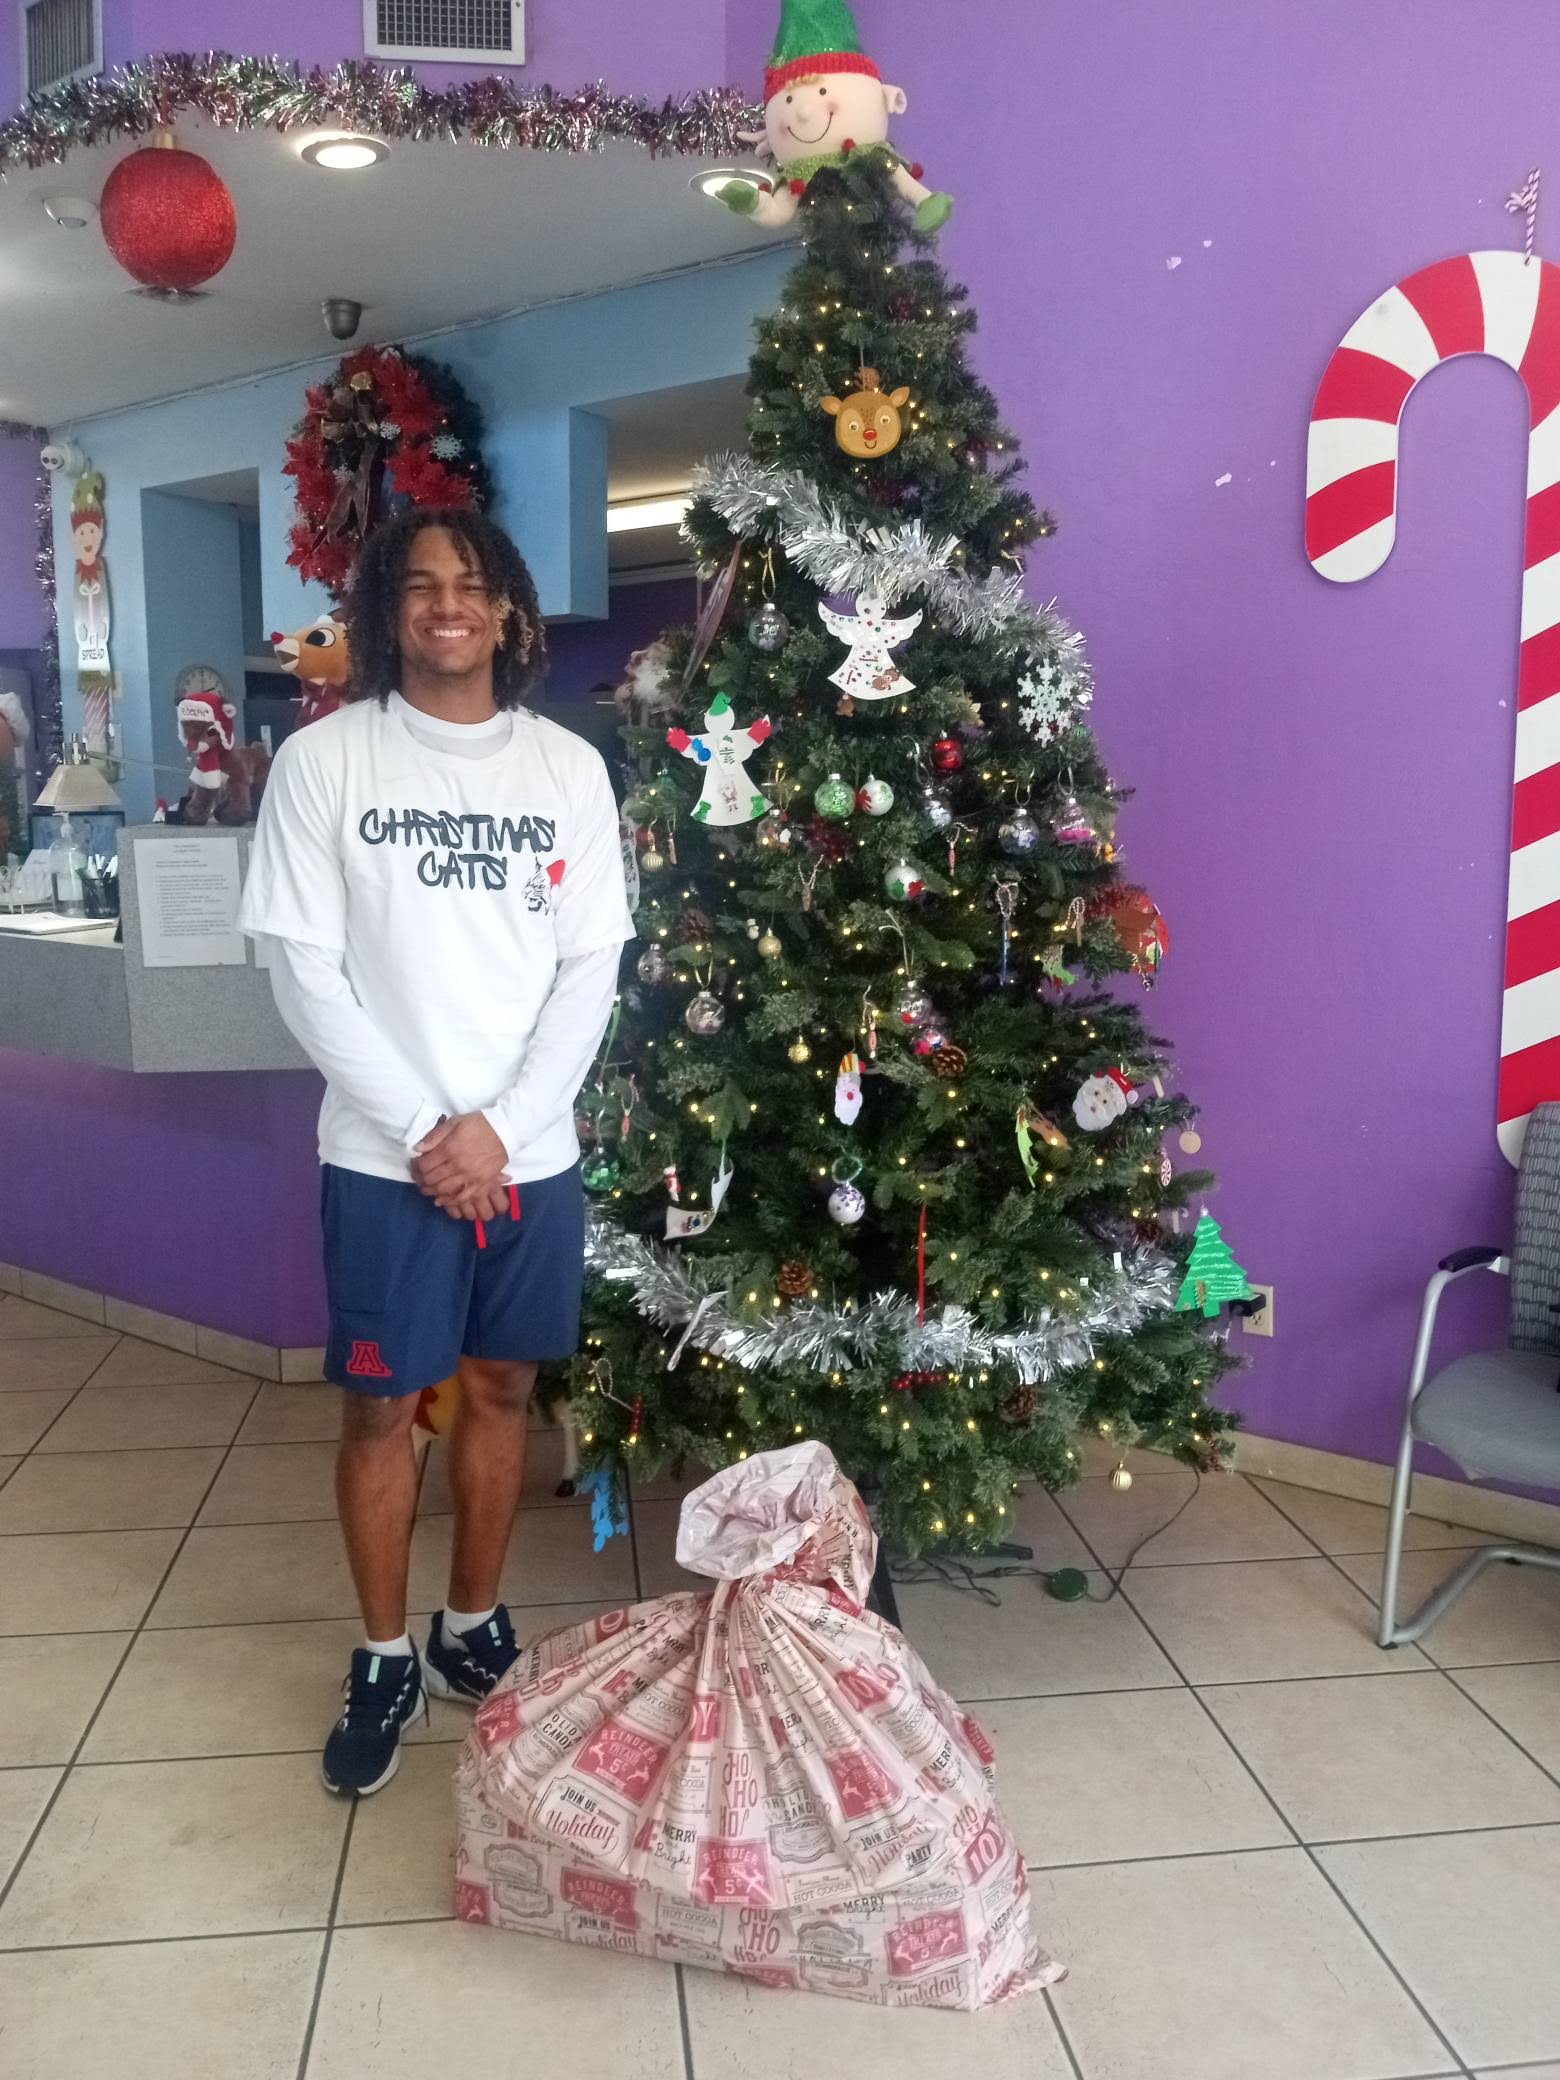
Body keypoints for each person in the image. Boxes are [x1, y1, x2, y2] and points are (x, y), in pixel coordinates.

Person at [241, 509, 633, 1796]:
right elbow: (303, 970)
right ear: (385, 613)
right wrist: (427, 1130)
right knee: (378, 1409)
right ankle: (379, 1652)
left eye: (470, 586)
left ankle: (470, 1624)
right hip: (381, 1157)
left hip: (530, 1154)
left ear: (511, 611)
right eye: (418, 588)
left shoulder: (566, 769)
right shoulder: (329, 763)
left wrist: (501, 1130)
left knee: (505, 1392)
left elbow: (591, 968)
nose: (444, 606)